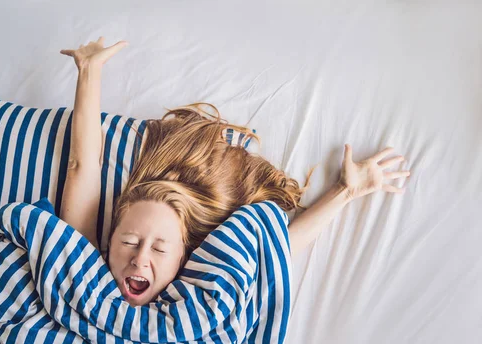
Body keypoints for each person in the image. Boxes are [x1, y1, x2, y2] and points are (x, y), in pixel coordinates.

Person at [59, 37, 411, 307]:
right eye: (129, 242)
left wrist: (346, 191)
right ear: (107, 244)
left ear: (184, 258)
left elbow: (276, 255)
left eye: (160, 249)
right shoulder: (83, 272)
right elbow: (82, 167)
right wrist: (89, 71)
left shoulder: (199, 295)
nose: (140, 258)